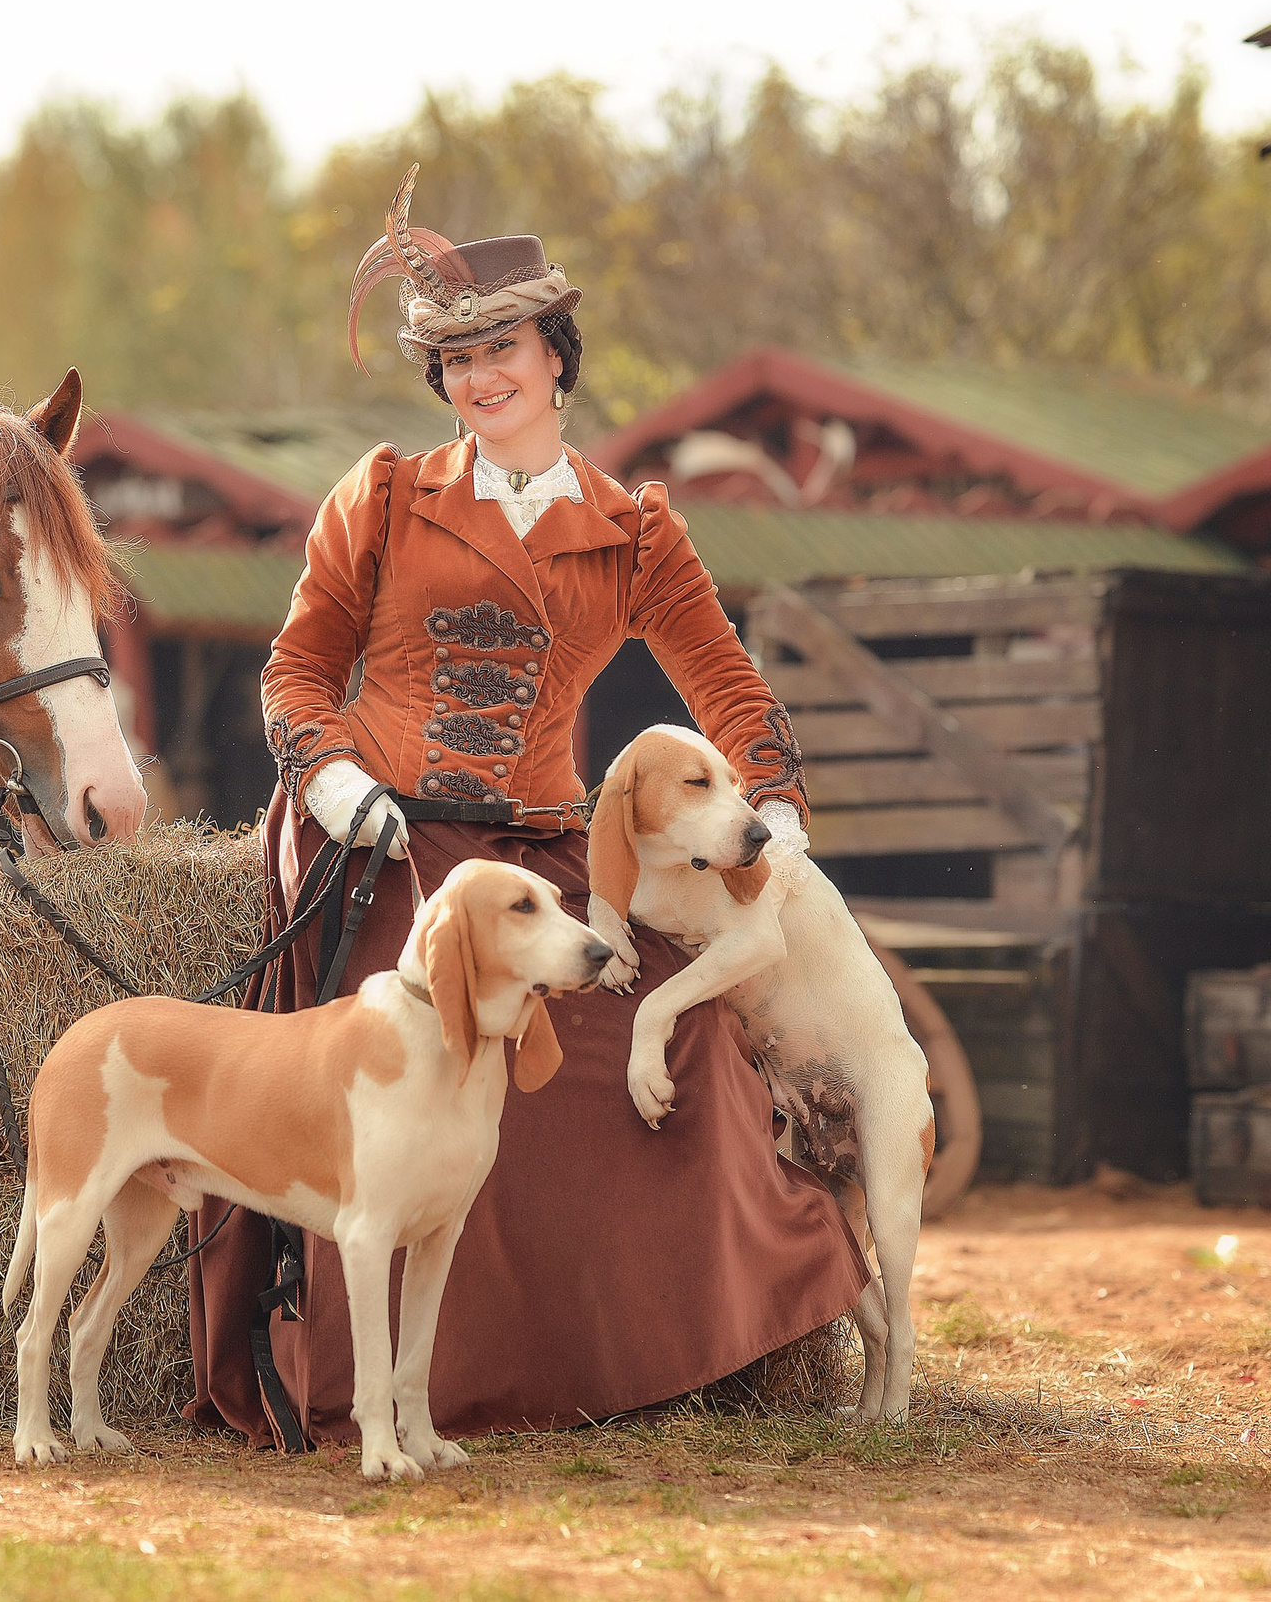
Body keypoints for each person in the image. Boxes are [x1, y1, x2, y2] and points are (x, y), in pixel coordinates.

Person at [185, 169, 866, 1449]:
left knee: (667, 1056)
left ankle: (636, 1364)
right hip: (378, 832)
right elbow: (293, 670)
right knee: (413, 1064)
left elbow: (720, 673)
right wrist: (330, 782)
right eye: (452, 359)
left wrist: (774, 799)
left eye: (498, 347)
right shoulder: (381, 496)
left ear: (555, 355)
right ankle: (375, 1389)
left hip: (542, 842)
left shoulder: (632, 530)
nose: (477, 377)